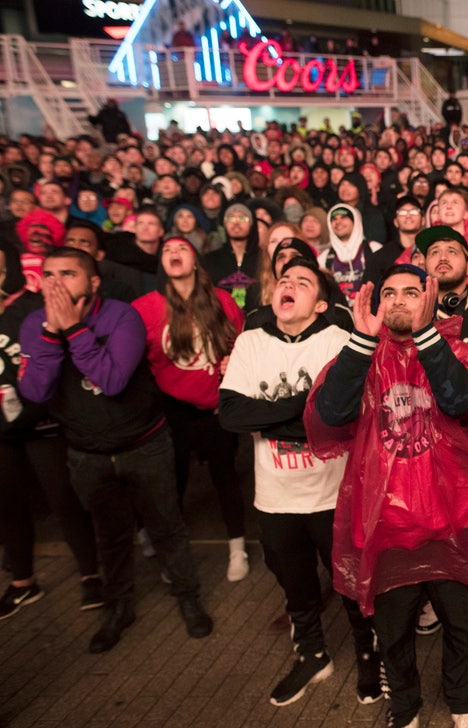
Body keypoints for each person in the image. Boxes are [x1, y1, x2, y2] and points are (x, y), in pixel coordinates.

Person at [306, 264, 468, 728]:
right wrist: (362, 343)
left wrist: (427, 338)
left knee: (463, 626)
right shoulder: (360, 354)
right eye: (390, 293)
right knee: (394, 631)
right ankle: (405, 709)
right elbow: (330, 411)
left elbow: (463, 401)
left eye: (411, 292)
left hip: (451, 518)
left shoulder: (454, 350)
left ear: (428, 299)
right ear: (377, 303)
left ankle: (463, 705)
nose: (400, 301)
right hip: (386, 522)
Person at [18, 248, 212, 653]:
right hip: (87, 453)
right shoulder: (35, 324)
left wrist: (73, 331)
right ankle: (118, 607)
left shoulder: (122, 316)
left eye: (67, 274)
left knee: (166, 529)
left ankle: (188, 598)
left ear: (92, 283)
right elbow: (34, 392)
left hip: (144, 445)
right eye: (48, 274)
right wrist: (53, 334)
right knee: (111, 535)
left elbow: (113, 380)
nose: (54, 283)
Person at [218, 258, 381, 707]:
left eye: (302, 282)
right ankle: (312, 655)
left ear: (320, 302)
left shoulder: (338, 340)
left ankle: (369, 653)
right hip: (275, 499)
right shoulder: (251, 342)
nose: (288, 285)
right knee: (296, 588)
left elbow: (339, 414)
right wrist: (305, 408)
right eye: (283, 280)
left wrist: (273, 418)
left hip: (333, 495)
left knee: (349, 584)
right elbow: (232, 414)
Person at [133, 237, 248, 581]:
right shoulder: (145, 308)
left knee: (225, 476)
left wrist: (230, 390)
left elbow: (243, 347)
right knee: (171, 481)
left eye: (182, 248)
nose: (174, 253)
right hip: (172, 411)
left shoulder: (222, 300)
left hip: (216, 408)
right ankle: (168, 548)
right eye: (167, 250)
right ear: (162, 264)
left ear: (195, 261)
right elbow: (134, 365)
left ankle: (237, 548)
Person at [0, 250, 102, 619]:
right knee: (8, 505)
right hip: (1, 431)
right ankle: (23, 581)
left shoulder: (30, 307)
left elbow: (44, 369)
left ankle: (92, 574)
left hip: (40, 424)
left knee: (65, 501)